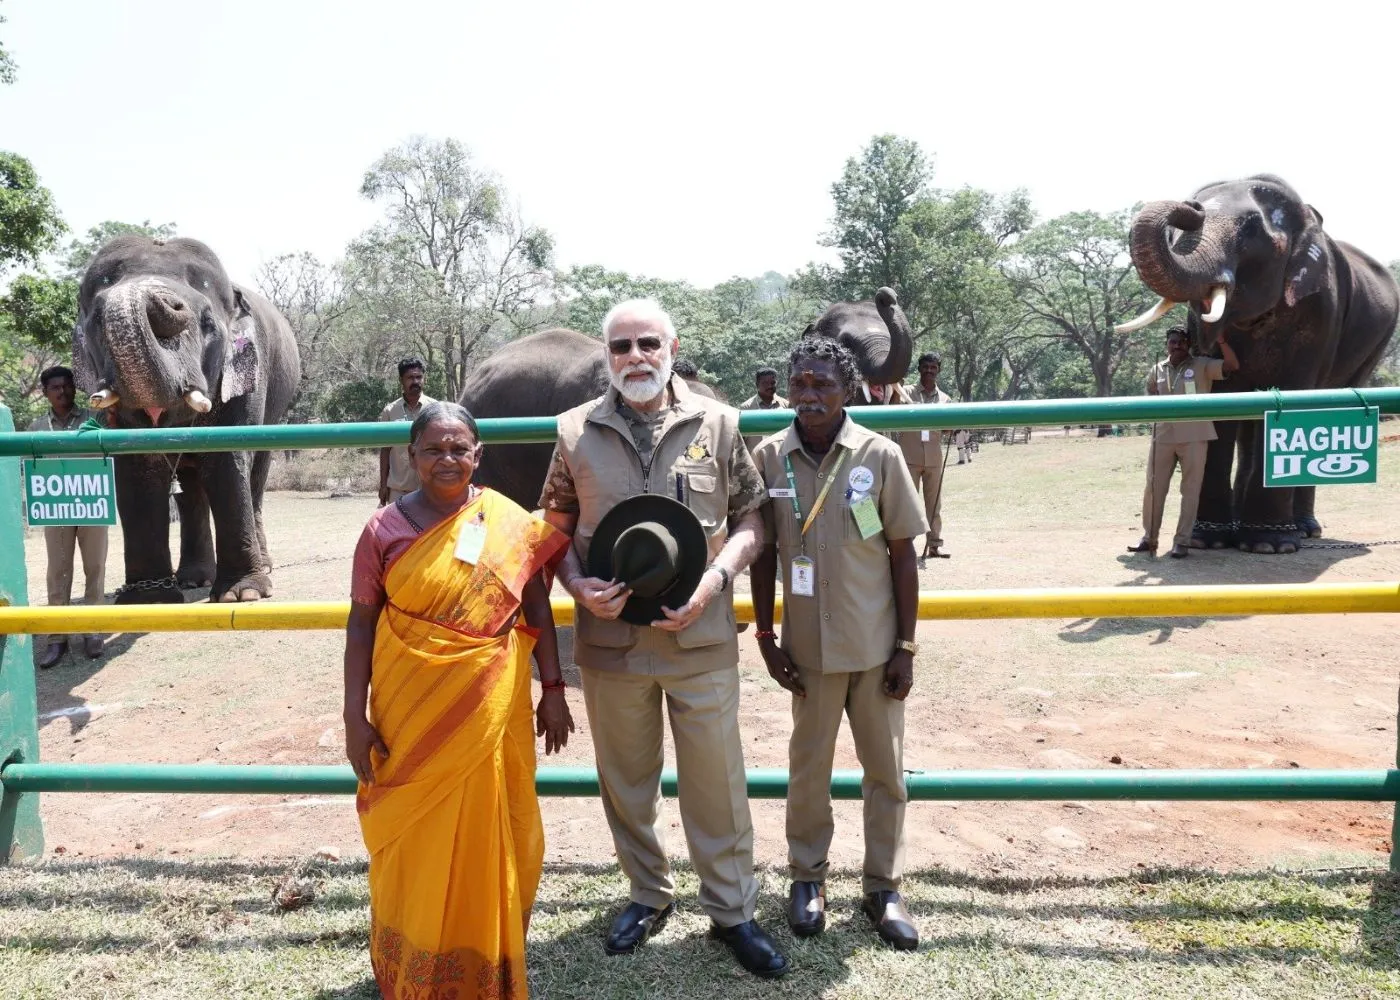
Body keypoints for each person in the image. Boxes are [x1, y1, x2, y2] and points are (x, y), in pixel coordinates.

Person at [538, 298, 788, 979]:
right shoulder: (573, 432)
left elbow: (751, 524)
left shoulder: (719, 421)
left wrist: (712, 582)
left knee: (718, 780)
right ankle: (647, 894)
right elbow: (553, 528)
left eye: (648, 342)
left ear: (672, 346)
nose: (636, 357)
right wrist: (575, 585)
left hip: (699, 634)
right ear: (606, 356)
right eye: (621, 347)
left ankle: (733, 910)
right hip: (612, 640)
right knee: (626, 781)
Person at [344, 401, 574, 999]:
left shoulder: (507, 520)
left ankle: (482, 956)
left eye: (459, 449)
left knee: (492, 825)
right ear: (411, 457)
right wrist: (353, 717)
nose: (447, 460)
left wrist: (552, 689)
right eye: (432, 450)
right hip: (407, 706)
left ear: (478, 455)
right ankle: (411, 958)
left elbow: (538, 607)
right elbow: (362, 623)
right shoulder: (383, 531)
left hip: (491, 702)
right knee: (415, 832)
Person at [750, 336, 927, 951]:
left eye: (823, 384)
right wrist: (768, 637)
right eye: (801, 383)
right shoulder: (771, 457)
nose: (809, 395)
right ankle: (807, 879)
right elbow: (765, 552)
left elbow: (903, 553)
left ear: (847, 389)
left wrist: (906, 646)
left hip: (876, 648)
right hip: (808, 653)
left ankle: (884, 887)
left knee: (885, 773)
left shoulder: (878, 456)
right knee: (808, 770)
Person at [1129, 326, 1239, 559]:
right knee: (1153, 489)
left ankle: (1182, 541)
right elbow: (1151, 394)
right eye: (1172, 342)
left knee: (1190, 490)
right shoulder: (1157, 369)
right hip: (1163, 436)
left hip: (1195, 436)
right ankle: (1149, 539)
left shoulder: (1202, 365)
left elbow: (1232, 366)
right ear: (1166, 345)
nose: (1177, 345)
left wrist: (1222, 342)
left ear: (1188, 344)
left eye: (1181, 341)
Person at [30, 366, 107, 667]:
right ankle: (57, 638)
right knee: (58, 571)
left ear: (74, 388)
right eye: (55, 388)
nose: (62, 392)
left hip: (90, 503)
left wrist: (102, 437)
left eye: (66, 386)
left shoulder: (93, 419)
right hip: (56, 507)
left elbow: (108, 452)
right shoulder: (37, 428)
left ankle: (93, 631)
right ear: (45, 392)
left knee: (95, 567)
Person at [897, 352, 952, 559]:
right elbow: (893, 410)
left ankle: (934, 544)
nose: (929, 371)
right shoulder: (905, 393)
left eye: (933, 367)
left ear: (938, 370)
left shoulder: (945, 399)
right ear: (919, 369)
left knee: (934, 503)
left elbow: (948, 429)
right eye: (926, 367)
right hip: (909, 458)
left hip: (934, 460)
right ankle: (905, 546)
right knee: (907, 503)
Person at [377, 357, 436, 506]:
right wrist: (383, 485)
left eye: (419, 377)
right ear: (401, 380)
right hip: (398, 490)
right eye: (410, 377)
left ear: (424, 379)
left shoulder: (435, 408)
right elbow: (385, 450)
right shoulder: (390, 411)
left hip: (429, 489)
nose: (415, 381)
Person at [739, 366, 789, 454]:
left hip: (780, 461)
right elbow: (739, 441)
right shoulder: (746, 408)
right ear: (757, 384)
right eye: (765, 383)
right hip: (755, 462)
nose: (770, 386)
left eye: (773, 383)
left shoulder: (786, 406)